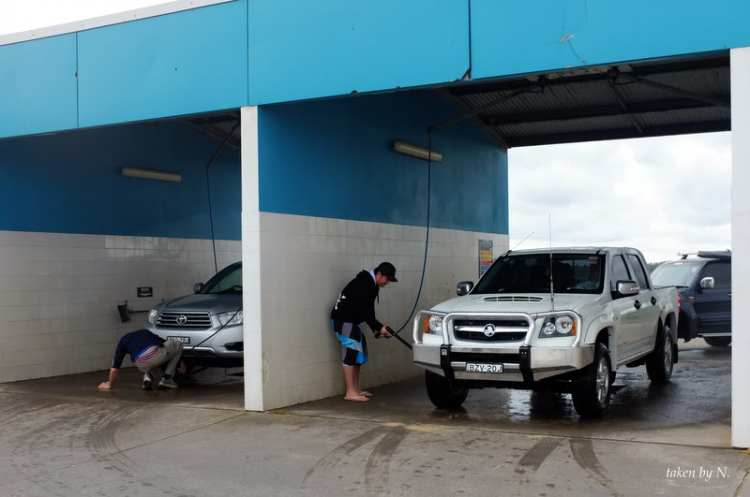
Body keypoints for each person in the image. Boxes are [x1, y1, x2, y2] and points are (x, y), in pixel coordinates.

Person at [330, 262, 397, 402]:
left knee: (359, 351)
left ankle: (355, 388)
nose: (388, 283)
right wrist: (380, 327)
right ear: (379, 274)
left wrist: (376, 329)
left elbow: (369, 308)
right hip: (343, 320)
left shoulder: (373, 285)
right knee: (351, 351)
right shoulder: (364, 282)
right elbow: (363, 310)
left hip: (352, 321)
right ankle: (350, 392)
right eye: (387, 279)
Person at [98, 328, 187, 390]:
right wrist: (180, 361)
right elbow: (164, 343)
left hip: (140, 364)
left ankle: (148, 377)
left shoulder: (122, 342)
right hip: (156, 354)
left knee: (149, 360)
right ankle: (166, 379)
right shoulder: (145, 332)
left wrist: (110, 385)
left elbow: (114, 369)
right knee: (178, 345)